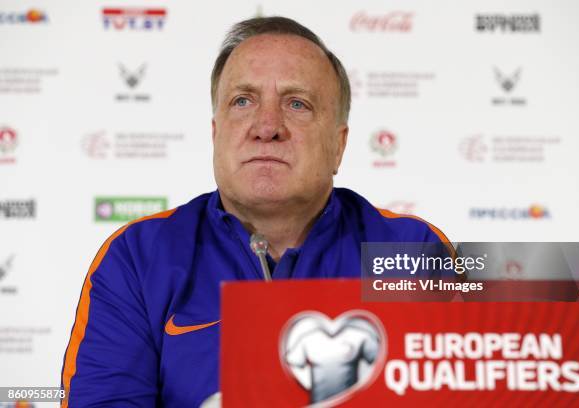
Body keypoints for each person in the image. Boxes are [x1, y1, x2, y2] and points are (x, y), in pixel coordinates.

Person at [60, 16, 450, 407]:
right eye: (242, 101)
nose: (266, 126)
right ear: (216, 133)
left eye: (297, 104)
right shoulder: (138, 257)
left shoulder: (413, 251)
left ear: (338, 145)